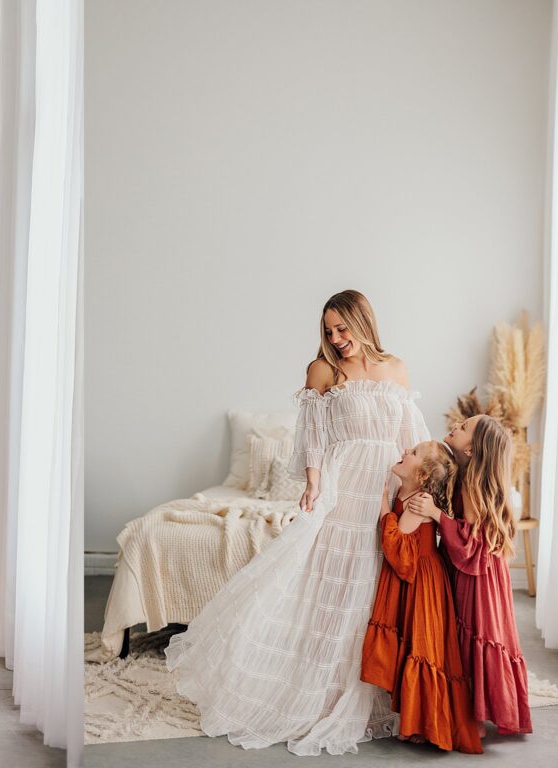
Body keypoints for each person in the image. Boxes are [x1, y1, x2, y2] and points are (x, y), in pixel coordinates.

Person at [165, 289, 429, 756]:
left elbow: (410, 438)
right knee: (333, 586)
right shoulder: (324, 370)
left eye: (343, 329)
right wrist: (312, 484)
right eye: (328, 330)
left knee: (371, 590)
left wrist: (416, 490)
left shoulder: (395, 369)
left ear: (362, 322)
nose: (336, 338)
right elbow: (312, 435)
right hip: (344, 487)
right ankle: (315, 692)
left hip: (385, 490)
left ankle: (364, 692)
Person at [407, 414, 532, 738]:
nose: (456, 426)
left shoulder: (473, 485)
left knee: (475, 633)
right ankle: (475, 709)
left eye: (464, 428)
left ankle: (471, 716)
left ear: (472, 451)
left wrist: (435, 514)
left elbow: (470, 543)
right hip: (486, 574)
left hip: (477, 580)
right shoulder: (469, 477)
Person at [361, 441, 482, 753]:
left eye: (412, 453)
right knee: (415, 646)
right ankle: (418, 722)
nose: (405, 452)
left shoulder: (419, 499)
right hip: (416, 576)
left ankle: (426, 725)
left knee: (424, 647)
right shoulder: (409, 492)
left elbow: (399, 552)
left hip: (421, 581)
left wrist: (383, 509)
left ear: (424, 475)